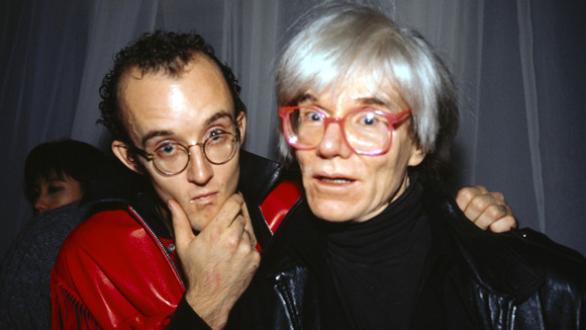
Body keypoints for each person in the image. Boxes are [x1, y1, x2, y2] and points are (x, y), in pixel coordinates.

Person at [51, 31, 517, 329]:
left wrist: (458, 215)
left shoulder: (301, 205)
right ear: (130, 158)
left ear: (242, 127)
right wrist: (203, 310)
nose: (201, 172)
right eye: (167, 148)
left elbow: (391, 214)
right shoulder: (93, 262)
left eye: (216, 135)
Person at [224, 4, 586, 329]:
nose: (329, 145)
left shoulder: (547, 294)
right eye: (314, 114)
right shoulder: (263, 292)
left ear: (418, 143)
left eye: (368, 120)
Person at [0, 139, 122, 329]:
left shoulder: (53, 230)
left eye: (54, 190)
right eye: (35, 193)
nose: (38, 203)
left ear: (92, 188)